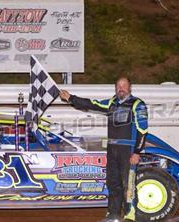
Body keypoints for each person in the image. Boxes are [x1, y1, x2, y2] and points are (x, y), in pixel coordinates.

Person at [60, 77, 148, 222]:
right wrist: (71, 98)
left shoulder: (138, 104)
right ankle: (113, 215)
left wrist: (137, 152)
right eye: (118, 86)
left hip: (128, 149)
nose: (121, 88)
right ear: (115, 88)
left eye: (124, 85)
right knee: (113, 183)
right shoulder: (111, 103)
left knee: (128, 183)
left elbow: (143, 130)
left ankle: (131, 215)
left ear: (130, 88)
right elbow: (91, 103)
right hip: (112, 148)